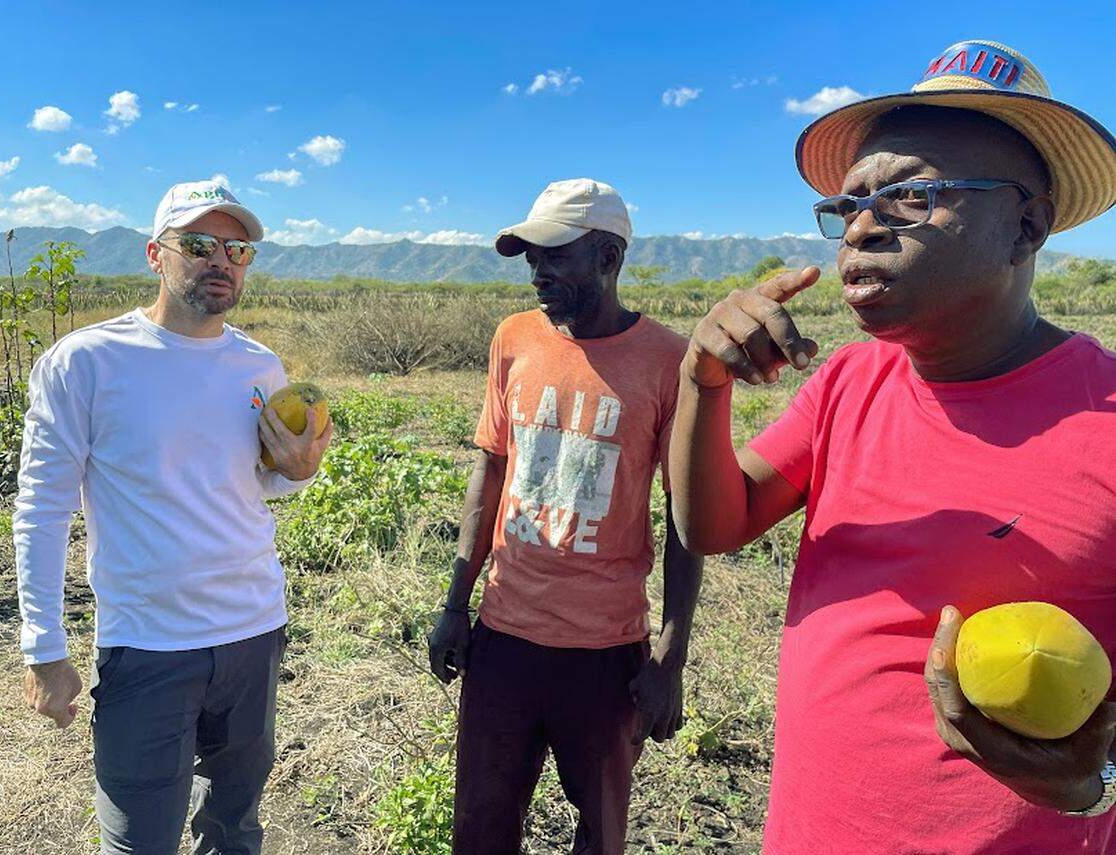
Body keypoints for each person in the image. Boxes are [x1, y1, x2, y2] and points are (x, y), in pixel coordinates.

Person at [670, 40, 1116, 853]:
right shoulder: (848, 381)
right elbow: (714, 524)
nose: (861, 228)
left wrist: (1096, 782)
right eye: (849, 206)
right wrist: (702, 386)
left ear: (1026, 225)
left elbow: (1101, 758)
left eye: (912, 194)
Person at [15, 179, 332, 854]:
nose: (222, 260)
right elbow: (41, 508)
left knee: (233, 828)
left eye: (237, 248)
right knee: (140, 841)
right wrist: (45, 649)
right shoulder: (86, 363)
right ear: (156, 254)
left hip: (254, 631)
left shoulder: (259, 364)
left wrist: (299, 472)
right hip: (148, 646)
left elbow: (260, 482)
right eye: (199, 244)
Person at [426, 178, 704, 854]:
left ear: (608, 256)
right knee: (481, 831)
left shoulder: (669, 362)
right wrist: (455, 603)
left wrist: (670, 650)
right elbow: (490, 470)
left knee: (599, 832)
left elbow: (685, 518)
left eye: (554, 256)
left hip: (604, 653)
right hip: (504, 637)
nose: (537, 273)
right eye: (530, 257)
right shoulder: (514, 338)